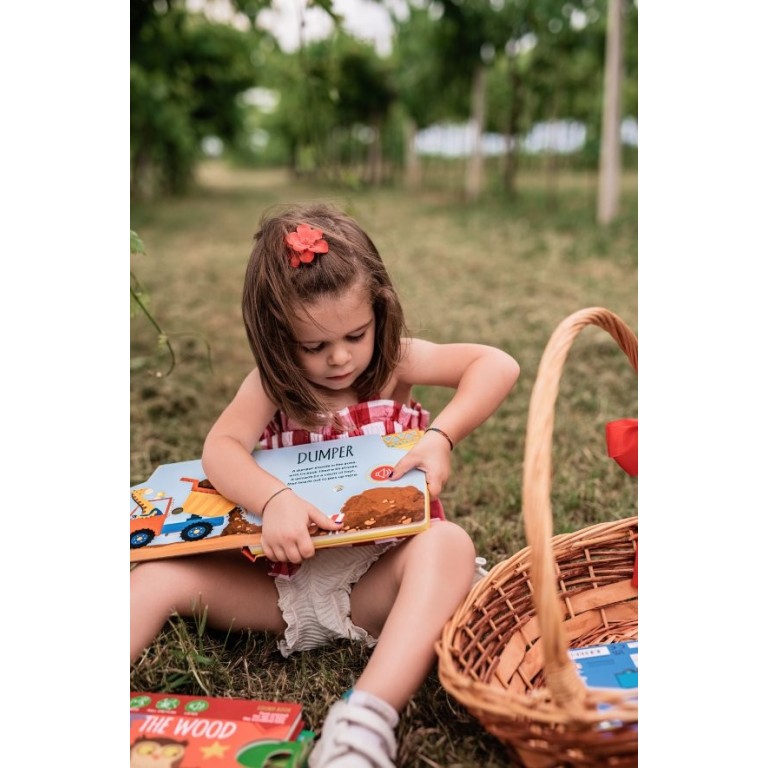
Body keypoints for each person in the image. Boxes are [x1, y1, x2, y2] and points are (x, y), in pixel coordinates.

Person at [130, 203, 520, 768]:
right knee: (158, 575)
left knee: (449, 546)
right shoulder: (271, 385)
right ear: (273, 337)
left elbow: (497, 364)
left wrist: (441, 436)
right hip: (279, 588)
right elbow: (222, 448)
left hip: (375, 587)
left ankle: (361, 722)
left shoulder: (395, 362)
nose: (339, 358)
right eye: (311, 346)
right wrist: (274, 498)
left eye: (354, 335)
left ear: (379, 312)